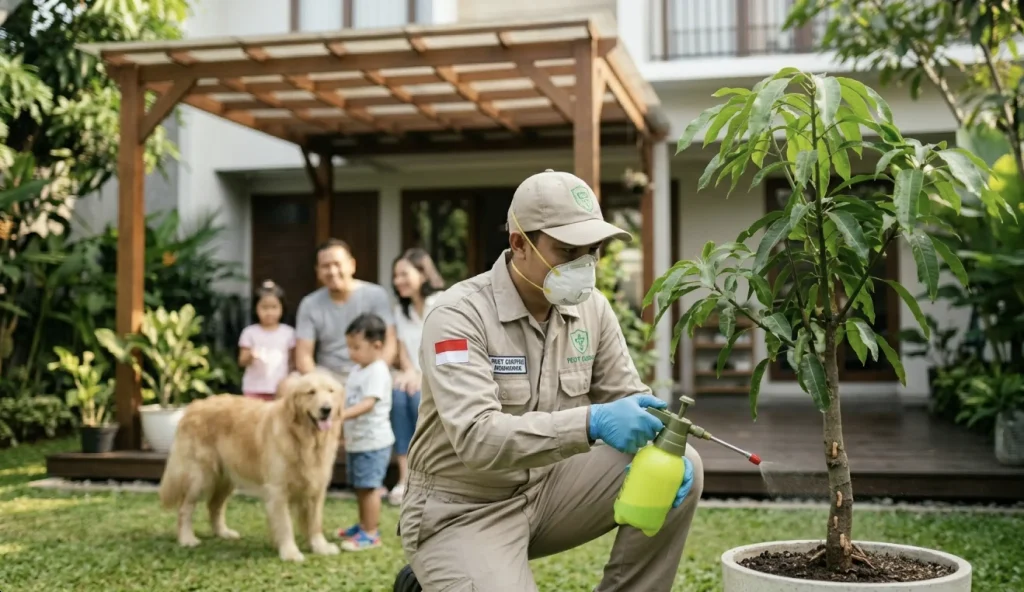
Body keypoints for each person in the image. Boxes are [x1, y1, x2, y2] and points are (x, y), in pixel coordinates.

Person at [397, 169, 703, 592]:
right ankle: (446, 567)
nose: (584, 265)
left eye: (592, 250)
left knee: (676, 462)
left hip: (549, 491)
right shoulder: (458, 316)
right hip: (462, 508)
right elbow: (475, 437)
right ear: (519, 242)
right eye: (566, 250)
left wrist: (662, 436)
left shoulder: (592, 309)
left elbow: (631, 399)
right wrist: (591, 421)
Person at [387, 248, 445, 506]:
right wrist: (409, 372)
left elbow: (445, 348)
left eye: (404, 274)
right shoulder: (401, 310)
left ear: (422, 274)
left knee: (416, 400)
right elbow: (403, 351)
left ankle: (428, 478)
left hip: (440, 376)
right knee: (398, 398)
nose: (398, 281)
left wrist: (421, 375)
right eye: (395, 276)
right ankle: (404, 478)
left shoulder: (443, 303)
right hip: (415, 377)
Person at [294, 238, 398, 383]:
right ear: (317, 271)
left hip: (371, 370)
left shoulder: (376, 295)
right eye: (325, 266)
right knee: (288, 385)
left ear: (352, 265)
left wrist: (377, 373)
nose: (332, 271)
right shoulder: (309, 304)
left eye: (337, 264)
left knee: (404, 390)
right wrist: (321, 386)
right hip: (328, 376)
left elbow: (390, 342)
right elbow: (303, 356)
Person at [336, 312, 395, 552]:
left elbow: (368, 403)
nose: (352, 353)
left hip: (373, 441)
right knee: (360, 486)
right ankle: (363, 525)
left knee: (370, 487)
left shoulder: (377, 371)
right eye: (349, 347)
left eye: (356, 347)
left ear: (377, 345)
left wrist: (341, 416)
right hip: (358, 440)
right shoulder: (358, 369)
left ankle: (371, 533)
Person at [237, 280, 295, 401]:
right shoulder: (250, 332)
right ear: (256, 308)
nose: (269, 312)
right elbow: (242, 361)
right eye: (264, 307)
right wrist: (251, 356)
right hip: (254, 389)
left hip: (280, 389)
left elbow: (292, 361)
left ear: (282, 308)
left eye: (274, 307)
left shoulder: (288, 332)